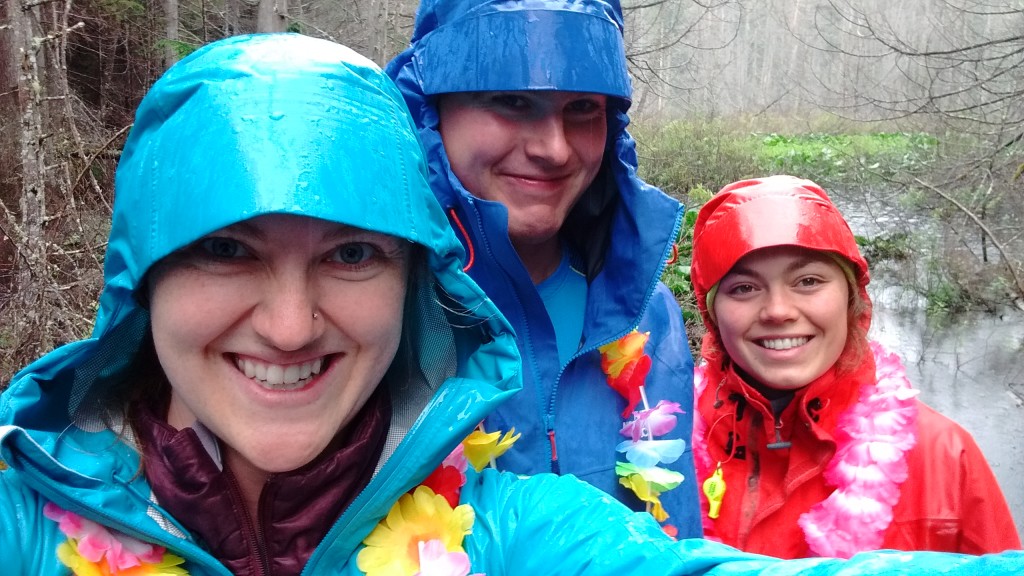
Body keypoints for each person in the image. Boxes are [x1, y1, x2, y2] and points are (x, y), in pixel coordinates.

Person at [4, 34, 1024, 576]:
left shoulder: (505, 530)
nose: (286, 322)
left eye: (352, 255)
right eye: (226, 251)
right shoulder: (26, 515)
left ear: (413, 287)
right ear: (144, 279)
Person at [386, 0, 701, 536]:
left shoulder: (646, 313)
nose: (554, 148)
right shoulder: (382, 312)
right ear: (431, 111)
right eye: (511, 101)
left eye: (582, 108)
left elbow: (677, 530)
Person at [688, 175, 1023, 559]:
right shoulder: (658, 450)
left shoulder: (944, 457)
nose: (778, 311)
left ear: (852, 299)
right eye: (744, 288)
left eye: (808, 281)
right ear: (713, 314)